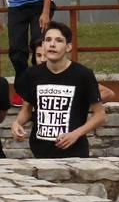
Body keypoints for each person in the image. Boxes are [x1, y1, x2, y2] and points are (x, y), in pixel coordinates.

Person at [12, 21, 106, 158]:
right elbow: (26, 109)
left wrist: (76, 134)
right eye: (48, 40)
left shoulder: (83, 75)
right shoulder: (32, 74)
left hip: (74, 153)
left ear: (68, 47)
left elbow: (100, 115)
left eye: (59, 40)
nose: (52, 44)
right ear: (43, 45)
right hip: (39, 152)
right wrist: (17, 123)